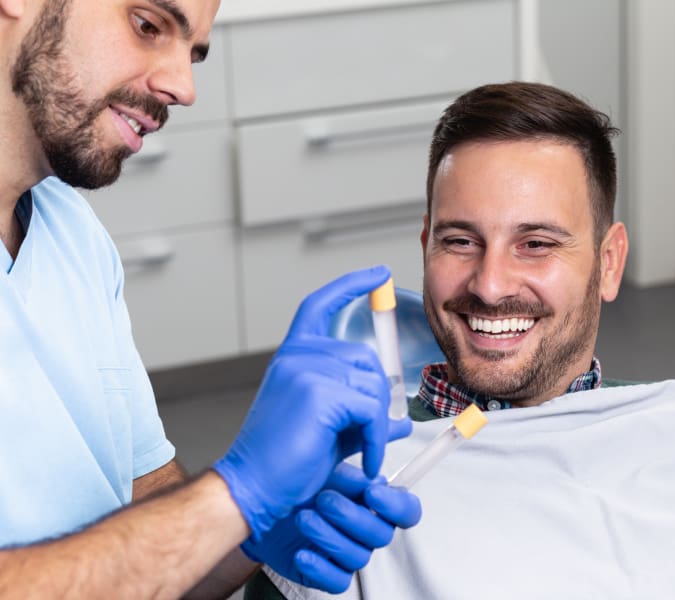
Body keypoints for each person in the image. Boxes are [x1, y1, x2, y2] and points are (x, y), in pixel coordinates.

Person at [256, 82, 675, 599]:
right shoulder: (346, 493)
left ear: (609, 263)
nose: (490, 283)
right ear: (425, 248)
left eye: (536, 244)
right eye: (460, 241)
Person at [0, 1, 420, 598]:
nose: (182, 86)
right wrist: (234, 495)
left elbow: (146, 515)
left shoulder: (71, 232)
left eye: (192, 52)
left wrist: (251, 535)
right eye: (147, 25)